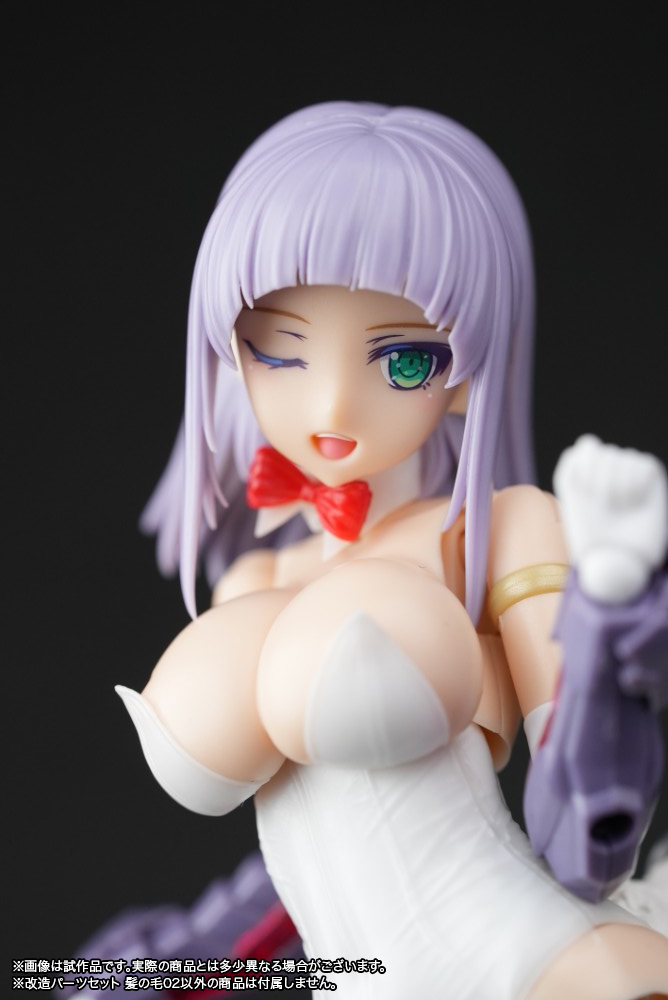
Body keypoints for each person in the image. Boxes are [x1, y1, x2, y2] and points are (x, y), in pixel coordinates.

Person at [117, 103, 668, 999]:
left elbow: (586, 811)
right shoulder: (251, 578)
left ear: (467, 374)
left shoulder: (495, 532)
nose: (333, 405)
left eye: (404, 360)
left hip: (541, 965)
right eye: (279, 352)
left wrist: (608, 611)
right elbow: (279, 882)